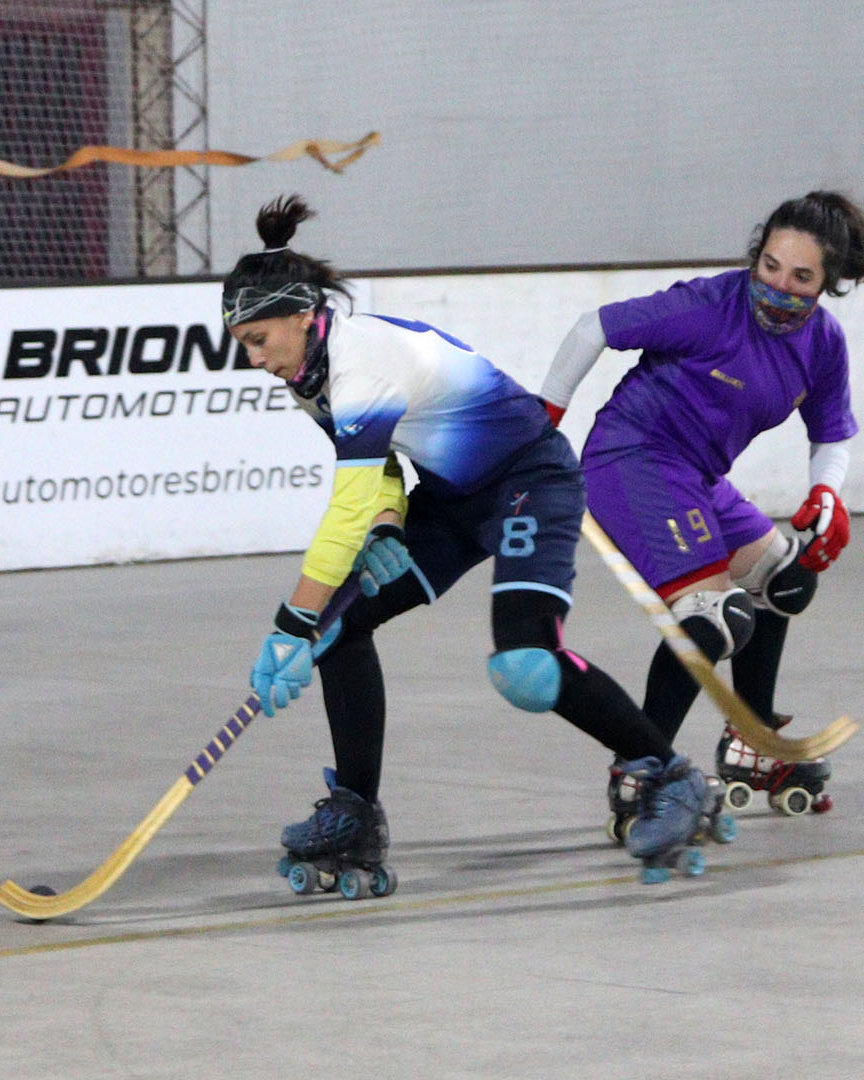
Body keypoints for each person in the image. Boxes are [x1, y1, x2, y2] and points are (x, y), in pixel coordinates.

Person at [226, 195, 721, 883]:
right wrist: (388, 523)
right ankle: (356, 812)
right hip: (453, 496)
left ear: (303, 316)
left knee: (525, 665)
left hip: (529, 479)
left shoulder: (360, 359)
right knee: (339, 628)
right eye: (244, 345)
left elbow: (344, 509)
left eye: (258, 339)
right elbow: (376, 472)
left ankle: (669, 775)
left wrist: (291, 622)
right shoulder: (311, 378)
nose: (254, 359)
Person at [540, 191, 863, 816]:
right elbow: (593, 327)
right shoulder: (708, 306)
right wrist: (544, 417)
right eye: (769, 266)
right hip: (633, 458)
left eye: (801, 278)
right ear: (755, 256)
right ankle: (642, 771)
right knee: (713, 618)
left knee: (783, 580)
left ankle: (753, 741)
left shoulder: (822, 343)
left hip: (697, 475)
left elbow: (831, 433)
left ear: (829, 283)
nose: (779, 286)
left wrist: (826, 492)